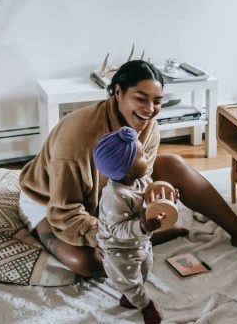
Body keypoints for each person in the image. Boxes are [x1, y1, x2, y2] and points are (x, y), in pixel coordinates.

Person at [19, 60, 237, 279]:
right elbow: (63, 209)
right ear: (117, 92)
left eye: (157, 100)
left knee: (173, 165)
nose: (150, 109)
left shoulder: (148, 125)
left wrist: (157, 191)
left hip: (110, 196)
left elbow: (140, 180)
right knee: (89, 264)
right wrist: (99, 236)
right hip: (51, 202)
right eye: (141, 98)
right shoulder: (77, 136)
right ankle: (141, 238)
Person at [93, 126, 165, 324]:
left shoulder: (140, 179)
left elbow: (151, 193)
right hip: (118, 249)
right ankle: (145, 306)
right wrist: (142, 226)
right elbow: (118, 228)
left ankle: (129, 296)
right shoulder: (114, 197)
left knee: (145, 270)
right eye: (142, 155)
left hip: (139, 243)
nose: (147, 155)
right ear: (126, 169)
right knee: (131, 281)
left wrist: (166, 195)